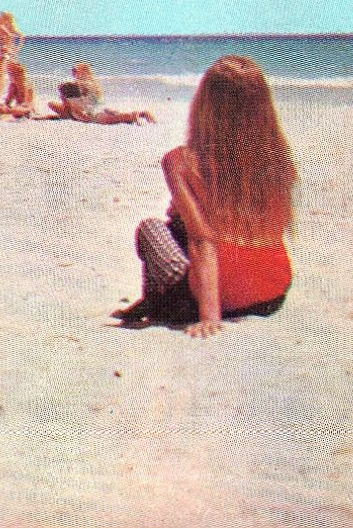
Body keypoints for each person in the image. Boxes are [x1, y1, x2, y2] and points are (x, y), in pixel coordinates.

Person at [114, 56, 294, 336]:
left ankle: (156, 305)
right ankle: (156, 304)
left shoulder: (180, 161)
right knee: (179, 224)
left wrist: (210, 316)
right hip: (272, 293)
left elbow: (203, 240)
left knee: (151, 229)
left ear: (204, 105)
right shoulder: (279, 161)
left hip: (222, 297)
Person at [48, 63, 154, 125]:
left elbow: (58, 108)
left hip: (94, 112)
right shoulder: (86, 88)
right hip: (98, 107)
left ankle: (133, 115)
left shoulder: (72, 101)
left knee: (113, 119)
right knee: (115, 115)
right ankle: (141, 114)